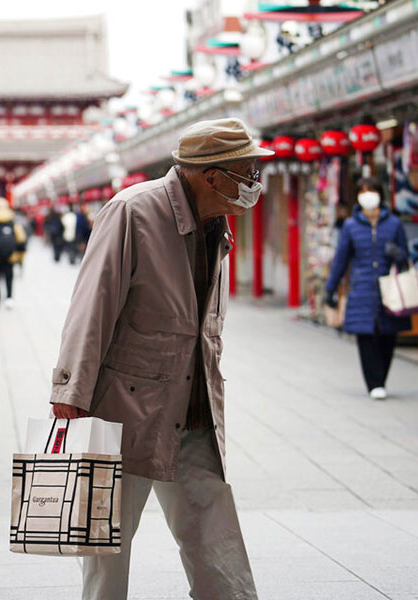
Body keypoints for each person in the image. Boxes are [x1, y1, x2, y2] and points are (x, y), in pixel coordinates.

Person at [49, 118, 269, 599]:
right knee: (106, 546)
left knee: (216, 537)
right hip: (124, 411)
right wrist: (70, 389)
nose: (255, 182)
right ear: (211, 175)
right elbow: (92, 305)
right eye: (248, 171)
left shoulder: (217, 226)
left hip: (193, 410)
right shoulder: (133, 212)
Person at [325, 177, 411, 400]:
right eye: (363, 191)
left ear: (380, 194)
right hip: (361, 289)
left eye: (371, 190)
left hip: (389, 289)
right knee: (365, 336)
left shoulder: (394, 224)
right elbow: (341, 260)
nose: (368, 195)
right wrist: (330, 288)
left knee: (388, 336)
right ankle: (374, 383)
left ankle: (381, 379)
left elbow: (405, 258)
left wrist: (397, 254)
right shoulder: (351, 226)